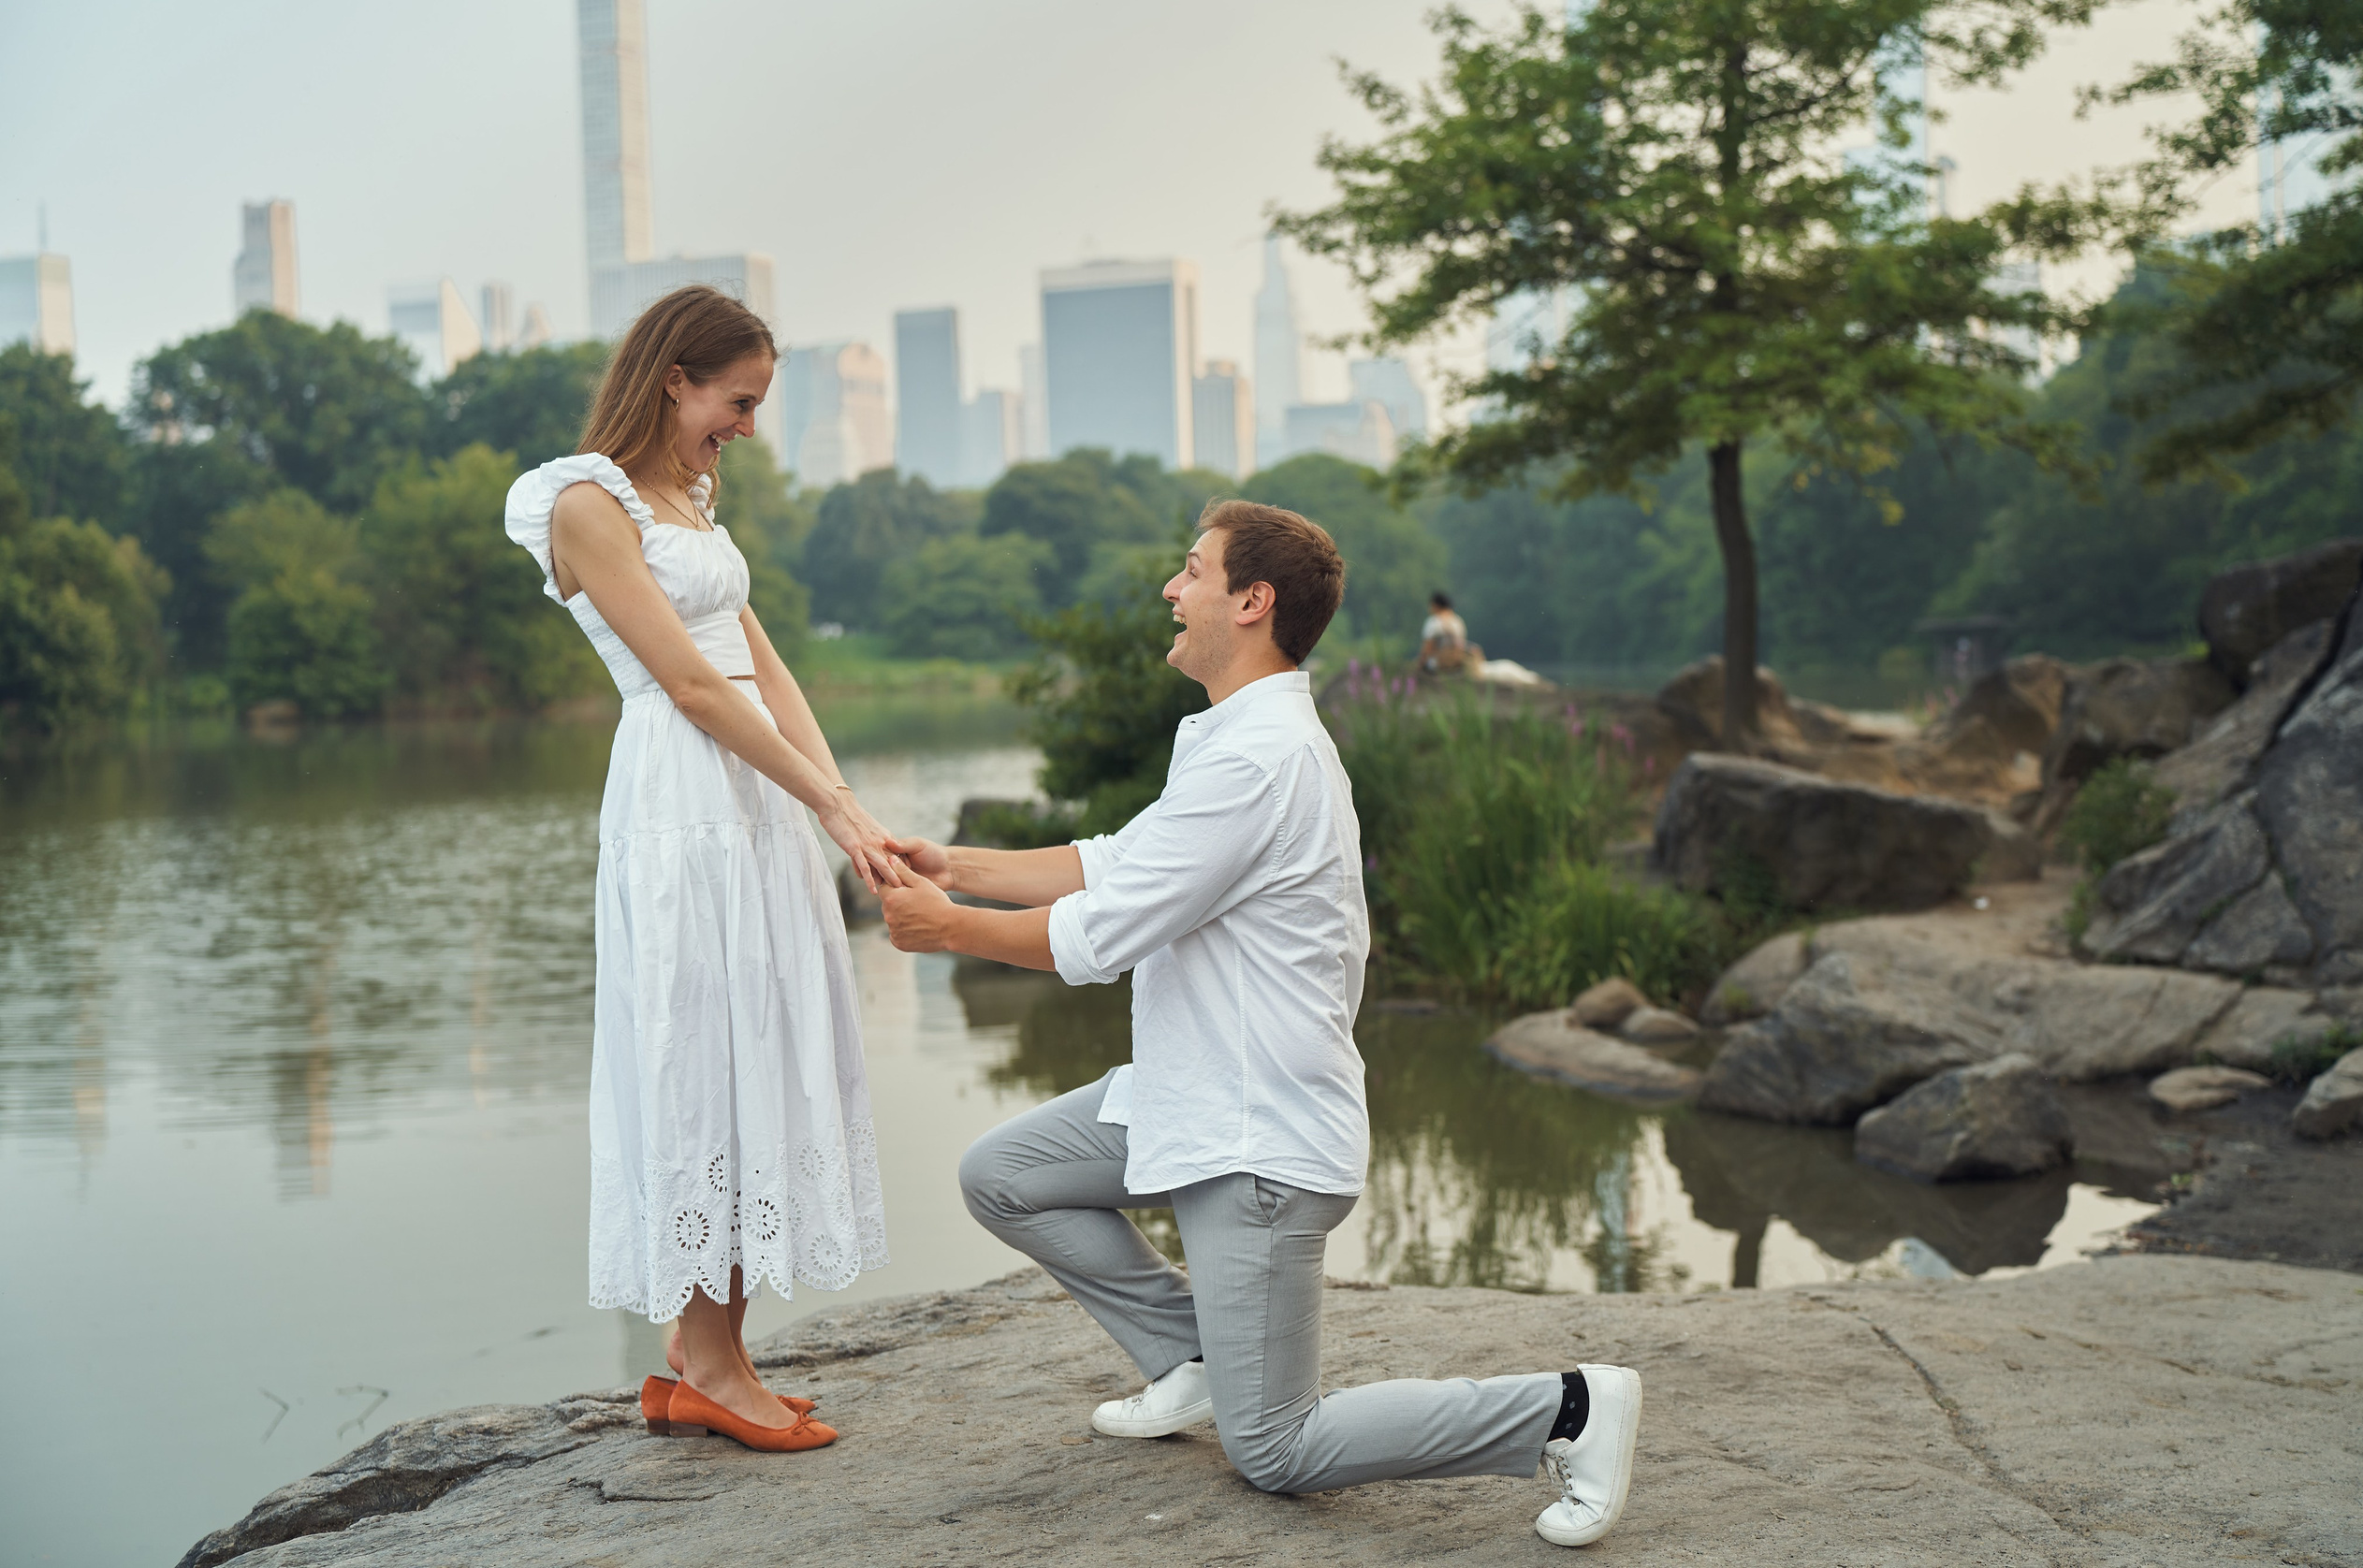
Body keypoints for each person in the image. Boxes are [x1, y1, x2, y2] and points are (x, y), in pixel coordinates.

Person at [879, 500, 1642, 1546]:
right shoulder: (1236, 736)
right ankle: (1192, 1358)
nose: (1170, 588)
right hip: (1194, 1096)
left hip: (1258, 1142)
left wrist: (948, 927)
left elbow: (1099, 934)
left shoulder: (1263, 759)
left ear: (1252, 600)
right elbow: (1114, 858)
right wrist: (953, 864)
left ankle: (1565, 1408)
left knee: (1275, 1447)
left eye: (1189, 570)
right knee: (1004, 1173)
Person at [503, 284, 897, 1453]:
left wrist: (844, 809)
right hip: (684, 795)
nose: (750, 424)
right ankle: (711, 1364)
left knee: (757, 1048)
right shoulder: (584, 500)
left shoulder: (691, 497)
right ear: (675, 376)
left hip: (753, 790)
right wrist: (814, 794)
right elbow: (684, 680)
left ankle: (704, 1352)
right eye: (739, 399)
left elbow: (761, 665)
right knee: (699, 1053)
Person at [1417, 590, 1482, 676]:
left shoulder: (1434, 621)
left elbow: (1427, 648)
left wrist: (1418, 665)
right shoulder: (1457, 621)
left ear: (1436, 605)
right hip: (1457, 662)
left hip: (1438, 664)